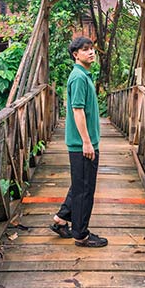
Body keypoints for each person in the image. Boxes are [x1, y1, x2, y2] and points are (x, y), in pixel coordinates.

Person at [50, 36, 108, 247]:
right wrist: (86, 142)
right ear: (76, 54)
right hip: (82, 143)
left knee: (79, 184)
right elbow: (77, 110)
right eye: (86, 50)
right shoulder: (78, 77)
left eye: (92, 48)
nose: (91, 52)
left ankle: (61, 219)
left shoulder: (83, 75)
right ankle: (81, 235)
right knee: (85, 190)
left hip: (83, 142)